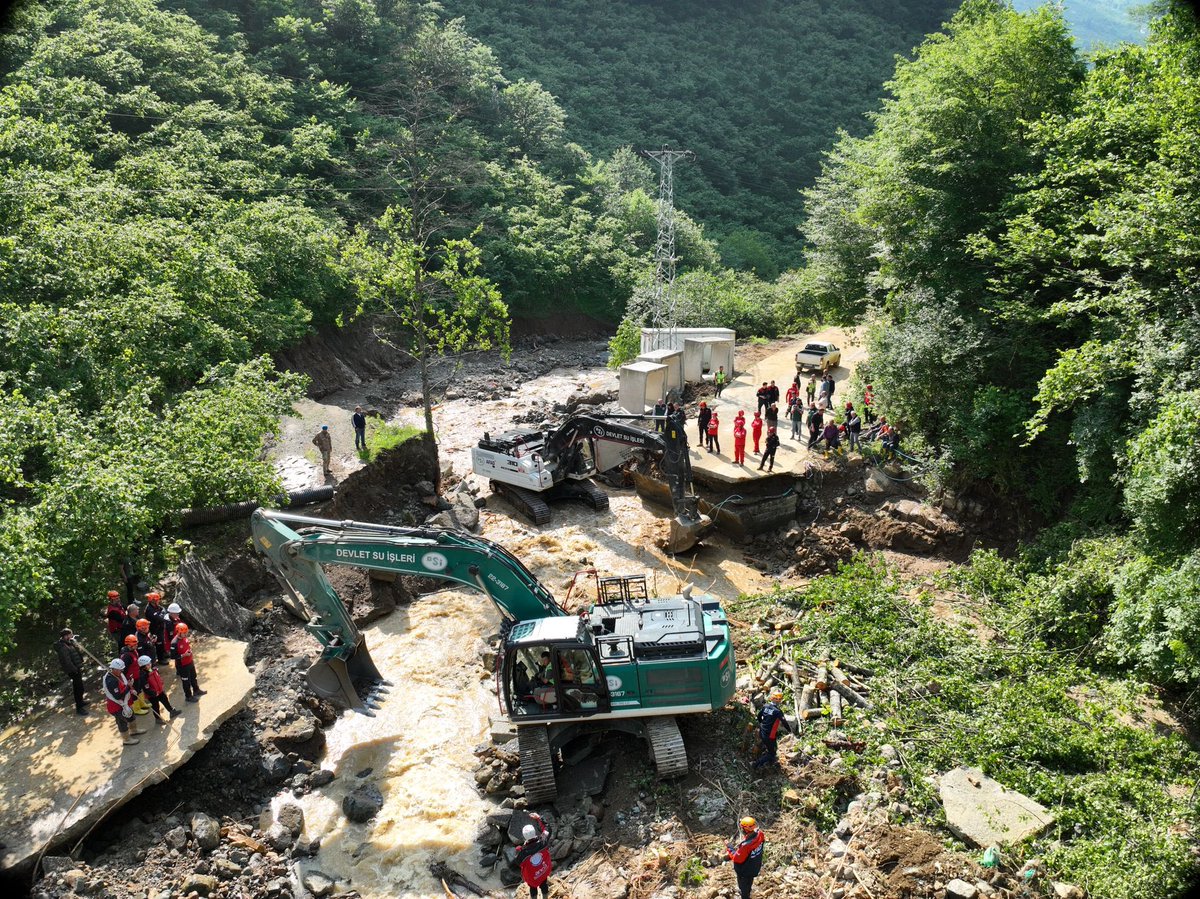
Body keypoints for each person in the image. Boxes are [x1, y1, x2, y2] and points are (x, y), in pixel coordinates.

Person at [103, 659, 143, 746]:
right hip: (117, 705)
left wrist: (131, 689)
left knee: (131, 715)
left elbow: (124, 684)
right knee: (122, 722)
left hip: (125, 702)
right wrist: (129, 687)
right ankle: (126, 739)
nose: (122, 671)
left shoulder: (119, 674)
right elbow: (118, 696)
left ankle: (134, 730)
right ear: (114, 669)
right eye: (120, 670)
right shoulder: (111, 681)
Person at [727, 817, 766, 899]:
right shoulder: (760, 835)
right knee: (749, 881)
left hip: (744, 871)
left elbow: (737, 858)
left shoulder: (746, 845)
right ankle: (747, 892)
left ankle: (745, 896)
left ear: (746, 829)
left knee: (743, 886)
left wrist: (729, 847)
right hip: (754, 866)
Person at [516, 813, 553, 899]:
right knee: (544, 884)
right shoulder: (543, 840)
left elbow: (518, 862)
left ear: (524, 837)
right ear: (535, 832)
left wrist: (519, 849)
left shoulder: (523, 853)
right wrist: (539, 818)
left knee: (533, 888)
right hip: (543, 870)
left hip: (533, 876)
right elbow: (548, 829)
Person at [753, 691, 793, 769]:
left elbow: (759, 716)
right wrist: (790, 731)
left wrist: (762, 724)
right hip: (769, 736)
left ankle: (771, 763)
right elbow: (784, 722)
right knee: (772, 753)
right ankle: (756, 764)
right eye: (780, 699)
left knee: (773, 746)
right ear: (778, 700)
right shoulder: (777, 711)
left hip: (762, 732)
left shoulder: (765, 706)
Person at [136, 655, 179, 722]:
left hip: (159, 690)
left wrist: (161, 685)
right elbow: (146, 688)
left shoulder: (151, 669)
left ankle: (171, 711)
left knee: (165, 700)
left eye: (149, 663)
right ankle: (158, 719)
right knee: (156, 706)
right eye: (147, 665)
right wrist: (153, 693)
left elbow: (156, 677)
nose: (150, 665)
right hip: (153, 695)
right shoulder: (143, 676)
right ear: (143, 667)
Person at [55, 628, 88, 716]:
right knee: (77, 688)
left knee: (80, 687)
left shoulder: (69, 643)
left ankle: (81, 702)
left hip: (76, 668)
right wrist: (74, 669)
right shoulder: (63, 647)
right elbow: (67, 661)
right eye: (70, 634)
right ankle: (79, 708)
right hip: (73, 670)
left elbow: (76, 653)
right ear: (66, 636)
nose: (72, 636)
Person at [171, 623, 205, 702]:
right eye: (184, 633)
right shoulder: (174, 643)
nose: (186, 634)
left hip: (190, 662)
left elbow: (186, 646)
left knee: (194, 677)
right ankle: (188, 696)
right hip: (182, 666)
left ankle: (196, 690)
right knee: (186, 682)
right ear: (179, 632)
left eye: (186, 632)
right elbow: (173, 656)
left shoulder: (184, 638)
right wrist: (184, 655)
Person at [144, 592, 170, 663]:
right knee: (159, 643)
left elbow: (163, 610)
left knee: (162, 641)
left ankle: (164, 653)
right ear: (153, 600)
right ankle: (161, 659)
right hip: (155, 629)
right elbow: (160, 618)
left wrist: (161, 613)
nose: (159, 601)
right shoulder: (149, 609)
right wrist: (162, 613)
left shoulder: (155, 606)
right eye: (157, 600)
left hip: (159, 628)